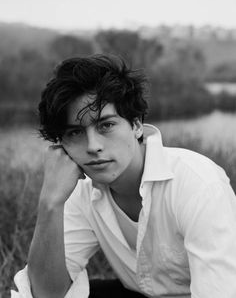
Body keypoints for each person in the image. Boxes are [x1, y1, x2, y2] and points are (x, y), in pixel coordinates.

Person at [11, 54, 236, 298]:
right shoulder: (81, 191)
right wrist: (50, 203)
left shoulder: (198, 184)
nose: (93, 146)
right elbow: (46, 295)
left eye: (105, 125)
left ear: (136, 125)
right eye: (75, 132)